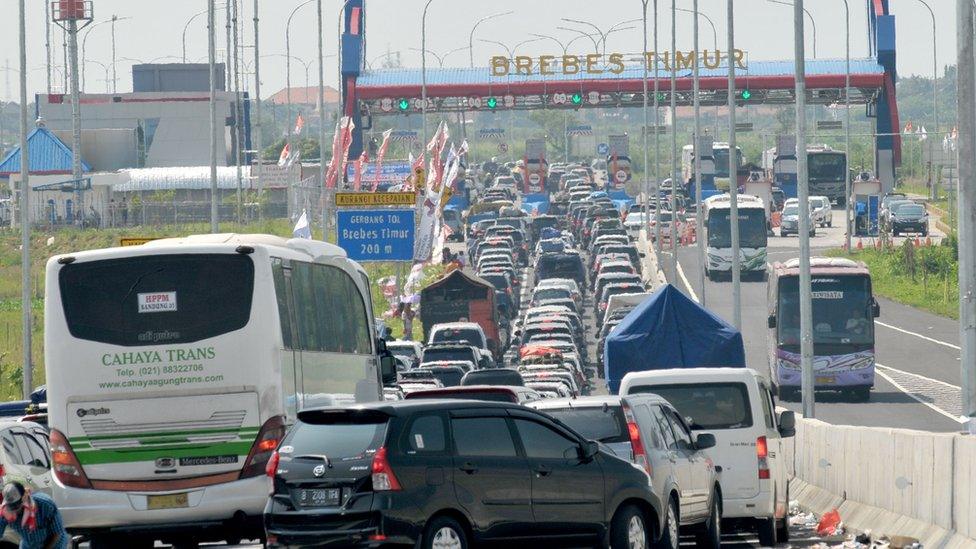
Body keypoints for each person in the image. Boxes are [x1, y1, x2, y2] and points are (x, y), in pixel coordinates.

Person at [0, 482, 68, 549]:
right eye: (11, 507)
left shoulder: (45, 504)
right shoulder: (4, 512)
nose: (15, 510)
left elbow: (57, 533)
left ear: (24, 496)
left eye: (17, 505)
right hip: (29, 544)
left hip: (55, 544)